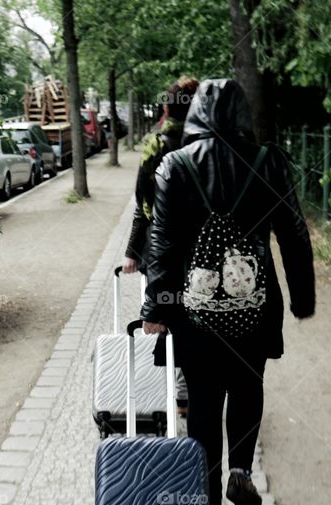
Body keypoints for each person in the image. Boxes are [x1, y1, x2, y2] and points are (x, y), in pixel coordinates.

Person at [140, 79, 315, 505]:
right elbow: (293, 232)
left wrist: (156, 308)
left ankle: (207, 493)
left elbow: (161, 241)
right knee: (247, 383)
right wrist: (301, 297)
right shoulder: (267, 162)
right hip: (253, 303)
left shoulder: (175, 165)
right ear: (242, 114)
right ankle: (241, 469)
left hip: (193, 307)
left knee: (201, 398)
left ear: (196, 113)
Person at [122, 76, 199, 415]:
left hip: (161, 240)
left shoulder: (158, 143)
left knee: (166, 309)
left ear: (167, 108)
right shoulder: (207, 140)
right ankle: (192, 384)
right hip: (203, 241)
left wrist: (132, 250)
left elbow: (143, 201)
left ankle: (180, 387)